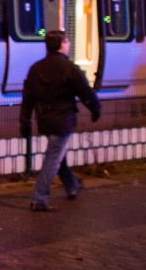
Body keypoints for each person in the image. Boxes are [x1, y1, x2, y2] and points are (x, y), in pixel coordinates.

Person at [20, 29, 100, 212]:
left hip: (45, 121)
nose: (69, 44)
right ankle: (39, 198)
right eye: (67, 41)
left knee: (58, 155)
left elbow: (28, 98)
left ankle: (72, 185)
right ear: (62, 44)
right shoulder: (68, 67)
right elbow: (85, 91)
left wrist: (24, 120)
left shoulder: (36, 68)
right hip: (63, 121)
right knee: (53, 159)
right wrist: (96, 109)